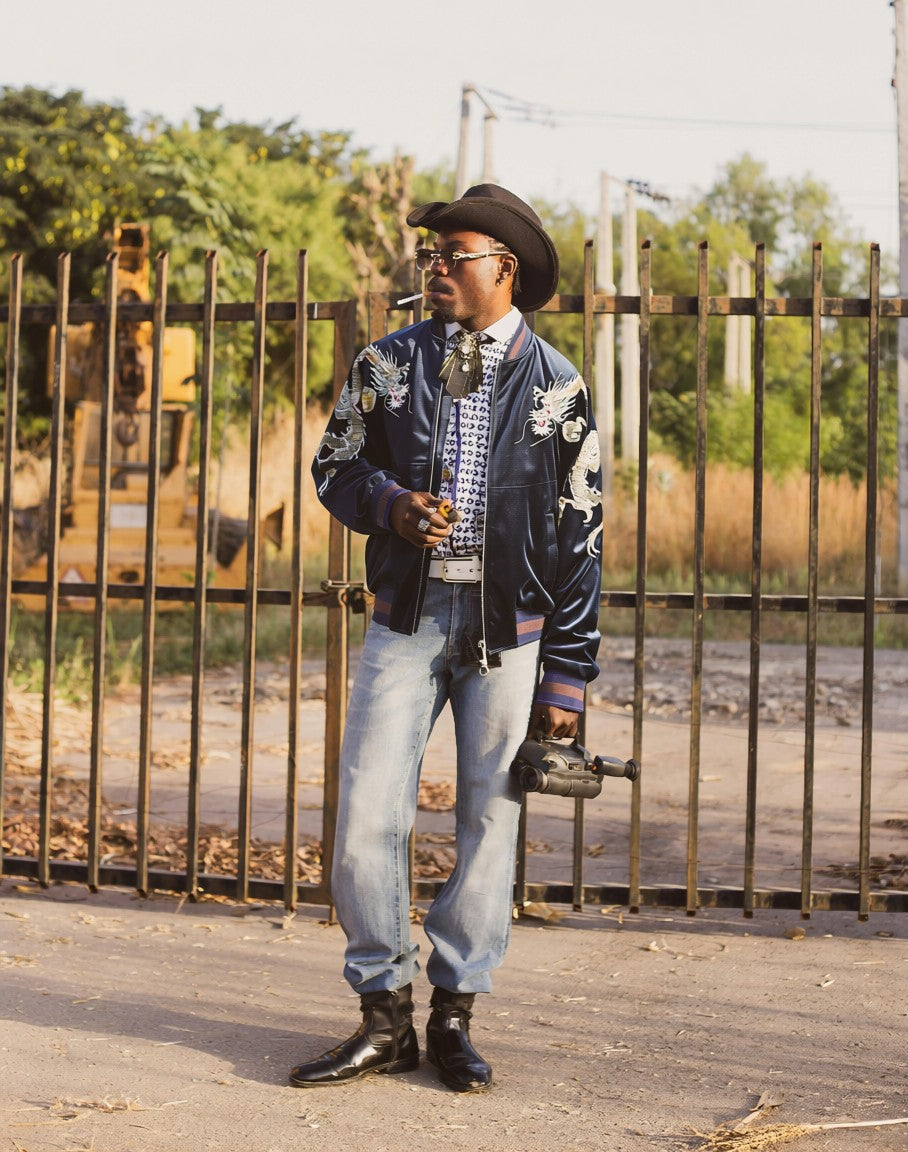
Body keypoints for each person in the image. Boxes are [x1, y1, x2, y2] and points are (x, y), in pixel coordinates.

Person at [290, 184, 602, 1093]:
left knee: (489, 822)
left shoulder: (558, 386)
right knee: (366, 816)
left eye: (454, 254)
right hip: (407, 618)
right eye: (431, 254)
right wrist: (391, 505)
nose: (435, 267)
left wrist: (567, 679)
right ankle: (383, 1016)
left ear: (504, 268)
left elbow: (581, 534)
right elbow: (336, 465)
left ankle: (455, 1015)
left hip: (512, 634)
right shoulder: (387, 363)